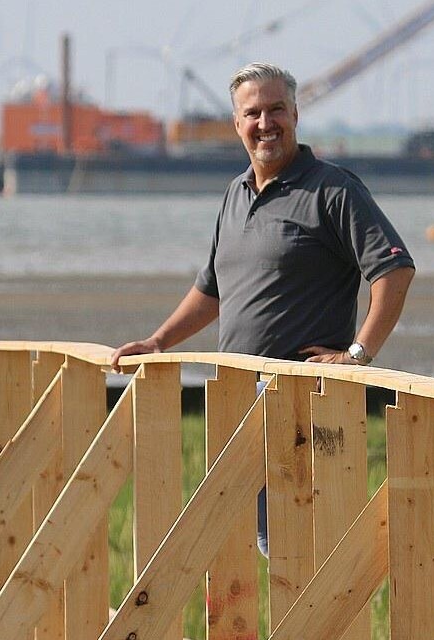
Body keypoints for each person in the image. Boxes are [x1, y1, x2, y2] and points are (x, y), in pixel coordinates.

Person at [109, 62, 416, 556]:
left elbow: (394, 270)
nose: (265, 123)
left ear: (295, 115)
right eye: (253, 113)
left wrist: (358, 354)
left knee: (305, 552)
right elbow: (211, 291)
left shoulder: (334, 190)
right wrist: (159, 341)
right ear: (237, 124)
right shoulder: (234, 193)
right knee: (255, 546)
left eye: (277, 110)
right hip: (237, 401)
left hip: (303, 402)